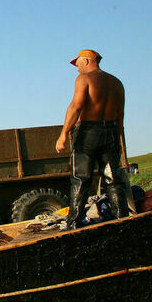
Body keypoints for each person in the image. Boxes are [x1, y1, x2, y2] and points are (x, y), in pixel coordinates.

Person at [55, 49, 130, 230]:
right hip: (111, 130)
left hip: (89, 130)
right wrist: (119, 139)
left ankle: (74, 223)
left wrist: (63, 134)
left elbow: (76, 106)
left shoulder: (84, 79)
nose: (77, 68)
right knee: (112, 177)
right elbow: (120, 114)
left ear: (87, 61)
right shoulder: (116, 83)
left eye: (78, 63)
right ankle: (123, 220)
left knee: (81, 178)